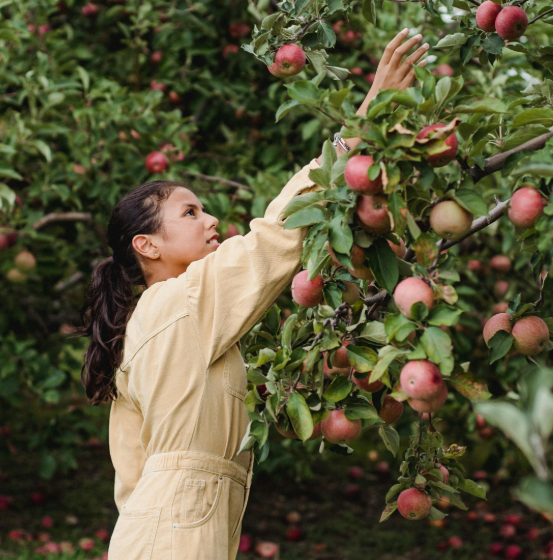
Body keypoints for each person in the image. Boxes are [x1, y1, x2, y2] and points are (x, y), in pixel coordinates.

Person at [76, 29, 430, 560]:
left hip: (155, 534)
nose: (212, 218)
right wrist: (354, 134)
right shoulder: (182, 302)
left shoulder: (146, 323)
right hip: (177, 537)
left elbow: (131, 472)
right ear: (146, 245)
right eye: (190, 213)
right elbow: (274, 239)